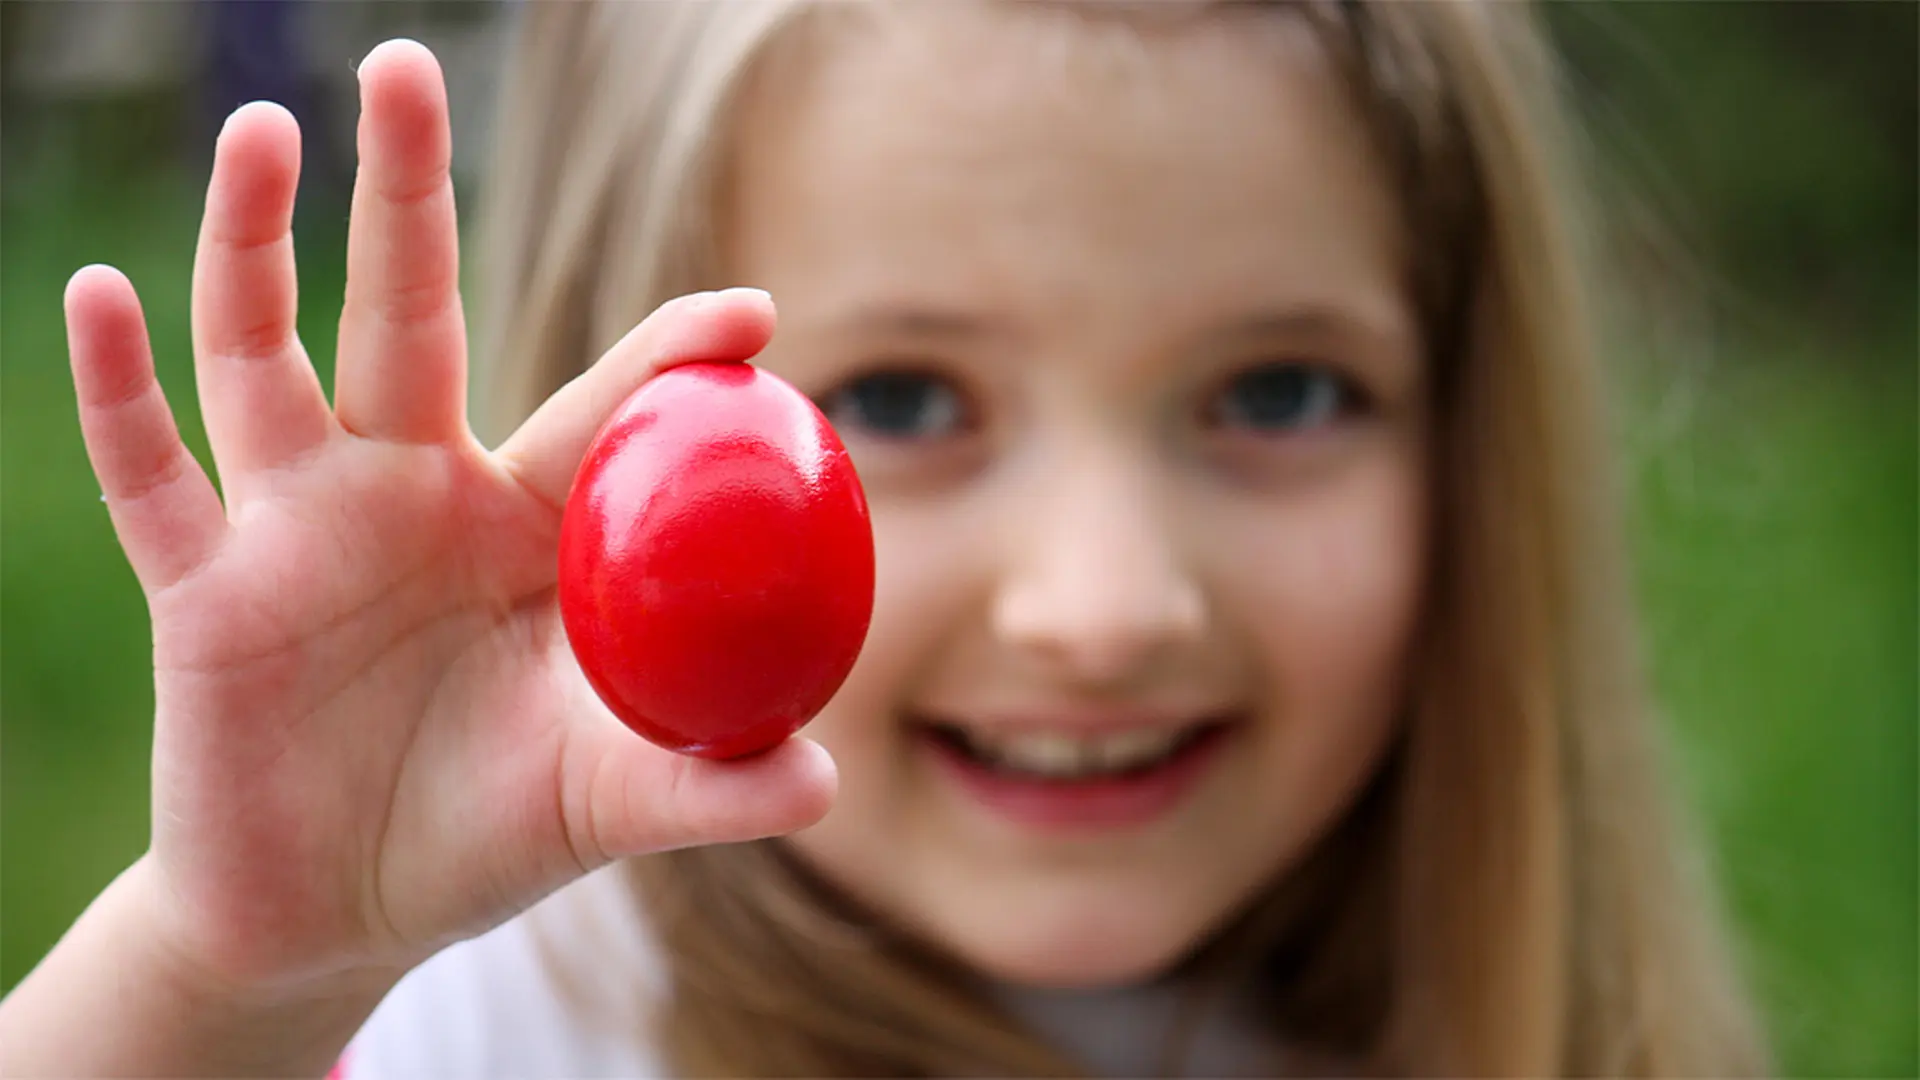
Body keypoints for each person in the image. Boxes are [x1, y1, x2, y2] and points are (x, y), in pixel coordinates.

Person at [0, 1, 1770, 1075]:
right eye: (907, 402)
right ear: (611, 436)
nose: (1101, 607)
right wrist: (223, 976)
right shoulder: (515, 1038)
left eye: (1282, 394)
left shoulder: (1537, 1038)